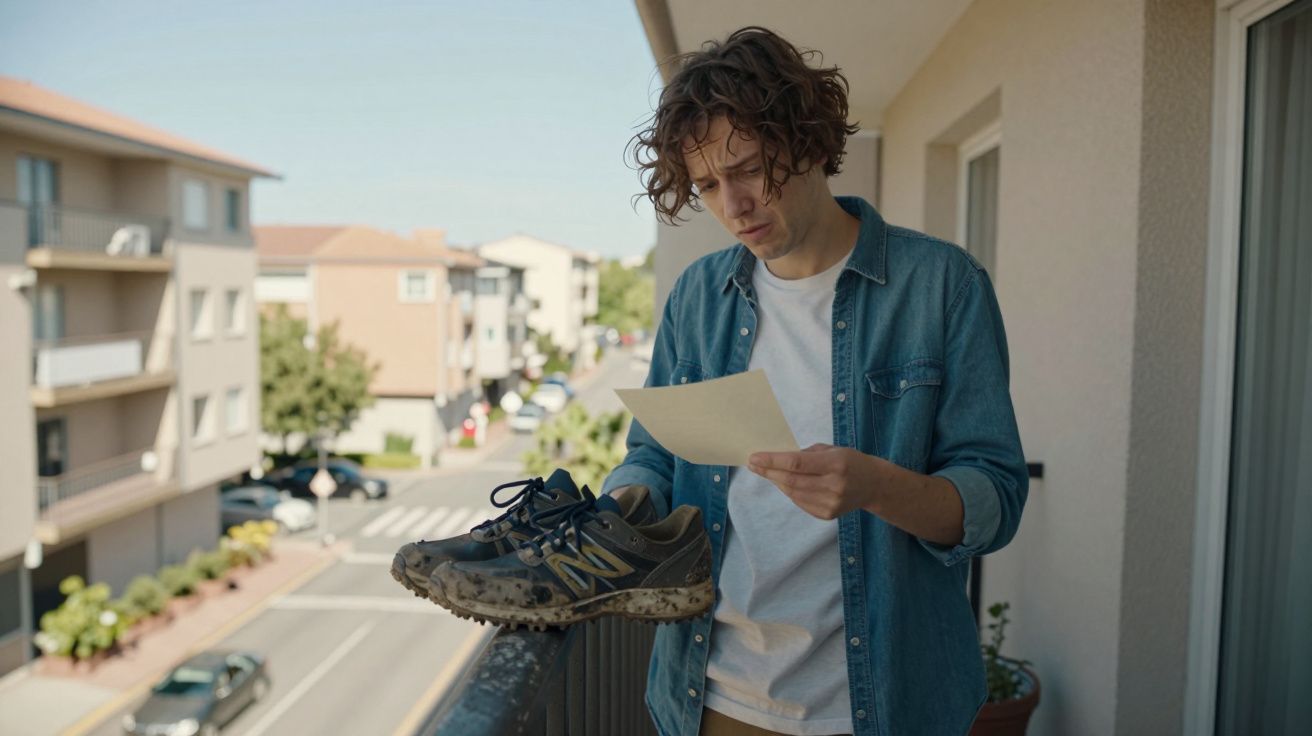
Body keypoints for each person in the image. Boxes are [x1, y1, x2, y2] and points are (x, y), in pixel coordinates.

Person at [600, 26, 1029, 736]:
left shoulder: (942, 286)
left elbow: (997, 497)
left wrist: (876, 487)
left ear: (805, 141)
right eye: (708, 185)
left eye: (749, 168)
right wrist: (626, 499)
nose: (732, 205)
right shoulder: (697, 298)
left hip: (882, 705)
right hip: (710, 696)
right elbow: (652, 451)